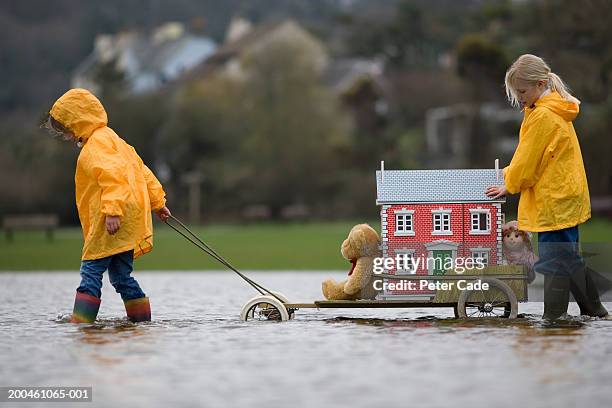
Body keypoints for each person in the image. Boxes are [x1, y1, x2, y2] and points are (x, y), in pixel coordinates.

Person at [486, 54, 608, 320]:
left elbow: (527, 161)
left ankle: (553, 319)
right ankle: (595, 312)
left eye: (522, 91)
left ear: (540, 84)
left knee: (554, 262)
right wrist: (507, 175)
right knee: (568, 258)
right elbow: (527, 158)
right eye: (515, 92)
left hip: (554, 199)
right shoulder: (553, 109)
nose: (519, 97)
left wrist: (509, 183)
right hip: (565, 196)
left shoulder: (542, 115)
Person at [42, 88, 171, 323]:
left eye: (67, 130)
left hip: (111, 218)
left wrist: (112, 211)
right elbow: (140, 170)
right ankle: (141, 321)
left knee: (91, 269)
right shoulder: (114, 138)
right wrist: (157, 202)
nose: (69, 136)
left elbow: (112, 176)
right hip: (130, 219)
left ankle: (82, 322)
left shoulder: (96, 146)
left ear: (77, 121)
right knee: (122, 276)